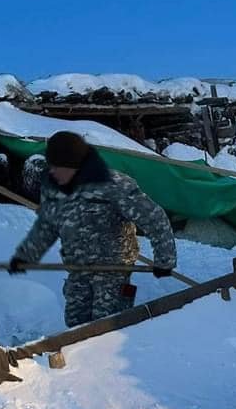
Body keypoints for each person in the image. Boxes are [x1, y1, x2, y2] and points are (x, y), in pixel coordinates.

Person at [11, 131, 177, 327]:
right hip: (78, 270)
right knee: (75, 324)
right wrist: (26, 256)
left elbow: (154, 219)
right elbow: (46, 227)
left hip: (112, 272)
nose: (52, 171)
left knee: (107, 327)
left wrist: (164, 260)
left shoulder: (113, 185)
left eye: (57, 166)